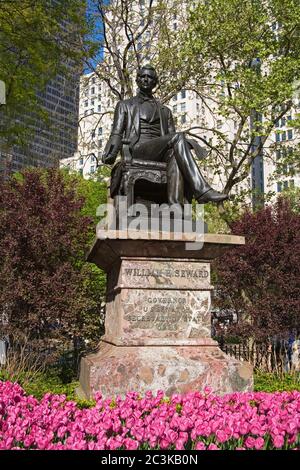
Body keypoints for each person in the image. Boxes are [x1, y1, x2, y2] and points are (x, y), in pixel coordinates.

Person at [102, 65, 228, 206]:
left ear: (155, 83)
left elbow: (172, 140)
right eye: (142, 76)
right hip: (137, 150)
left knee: (175, 155)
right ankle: (202, 190)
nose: (145, 79)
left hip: (159, 152)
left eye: (149, 77)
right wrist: (110, 153)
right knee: (178, 137)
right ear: (137, 80)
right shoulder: (124, 105)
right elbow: (116, 133)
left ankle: (176, 207)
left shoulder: (165, 111)